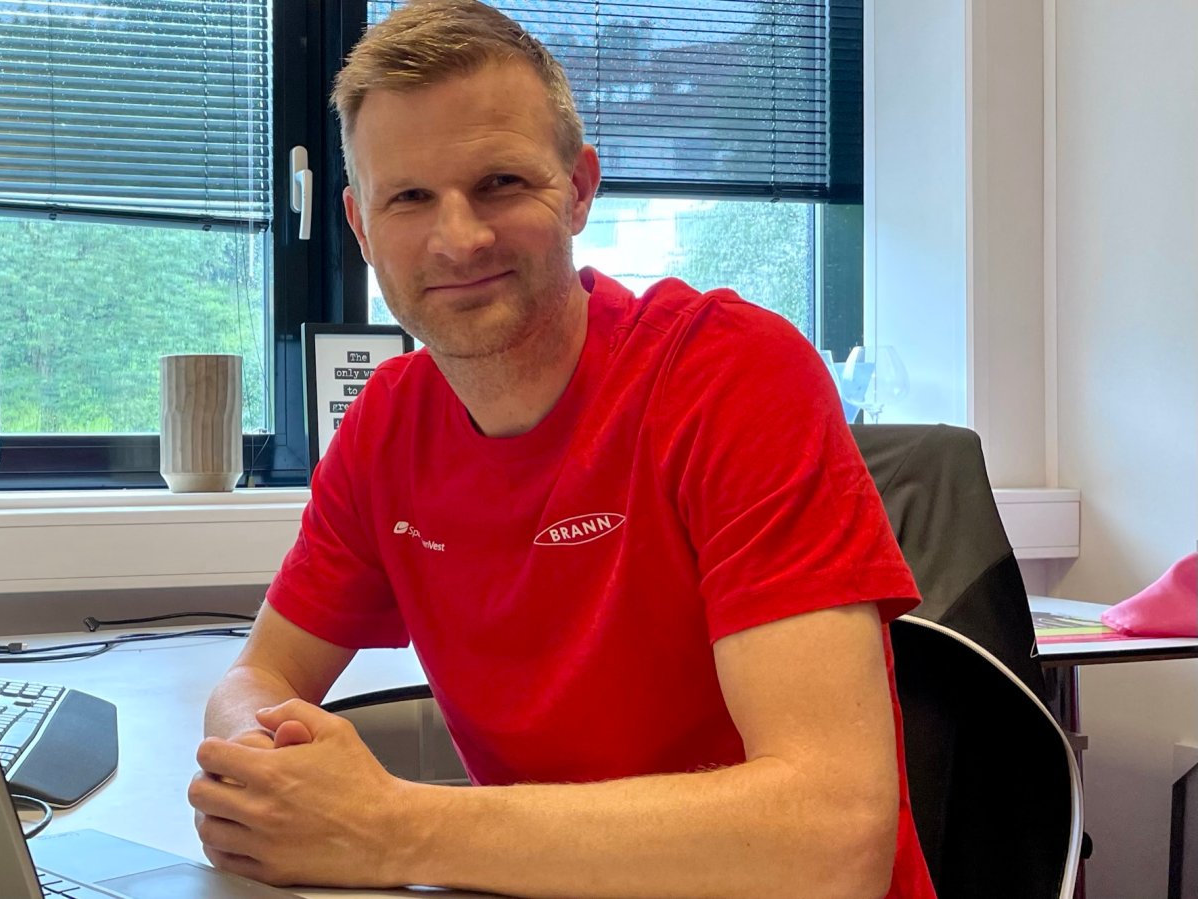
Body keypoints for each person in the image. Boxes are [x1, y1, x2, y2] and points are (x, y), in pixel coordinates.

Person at [188, 2, 937, 896]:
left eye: (501, 183)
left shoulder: (731, 376)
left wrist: (394, 828)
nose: (459, 238)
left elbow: (832, 838)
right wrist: (261, 762)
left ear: (579, 188)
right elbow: (261, 672)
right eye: (409, 198)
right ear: (359, 225)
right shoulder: (386, 426)